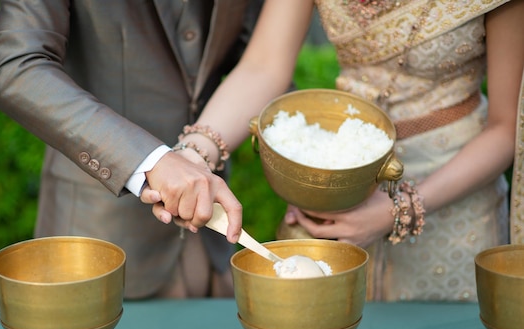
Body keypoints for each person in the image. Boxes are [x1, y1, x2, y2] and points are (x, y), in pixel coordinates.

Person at [145, 0, 524, 302]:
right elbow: (263, 67)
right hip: (340, 179)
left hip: (453, 189)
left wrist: (401, 209)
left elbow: (506, 129)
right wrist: (196, 152)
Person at [0, 1, 268, 299]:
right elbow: (18, 67)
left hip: (214, 247)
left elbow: (264, 61)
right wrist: (150, 160)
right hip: (96, 246)